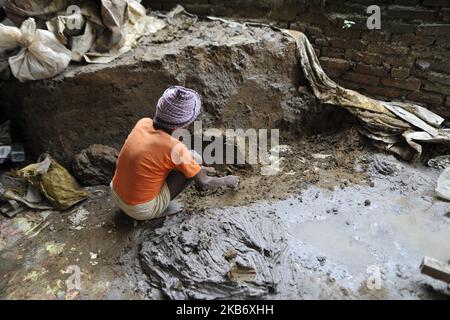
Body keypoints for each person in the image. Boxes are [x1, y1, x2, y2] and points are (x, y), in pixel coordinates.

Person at [111, 86, 240, 221]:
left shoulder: (143, 123)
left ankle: (194, 170)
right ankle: (190, 175)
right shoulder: (175, 148)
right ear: (181, 126)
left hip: (116, 192)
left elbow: (156, 156)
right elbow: (205, 183)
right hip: (139, 210)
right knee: (192, 159)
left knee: (186, 160)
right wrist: (227, 180)